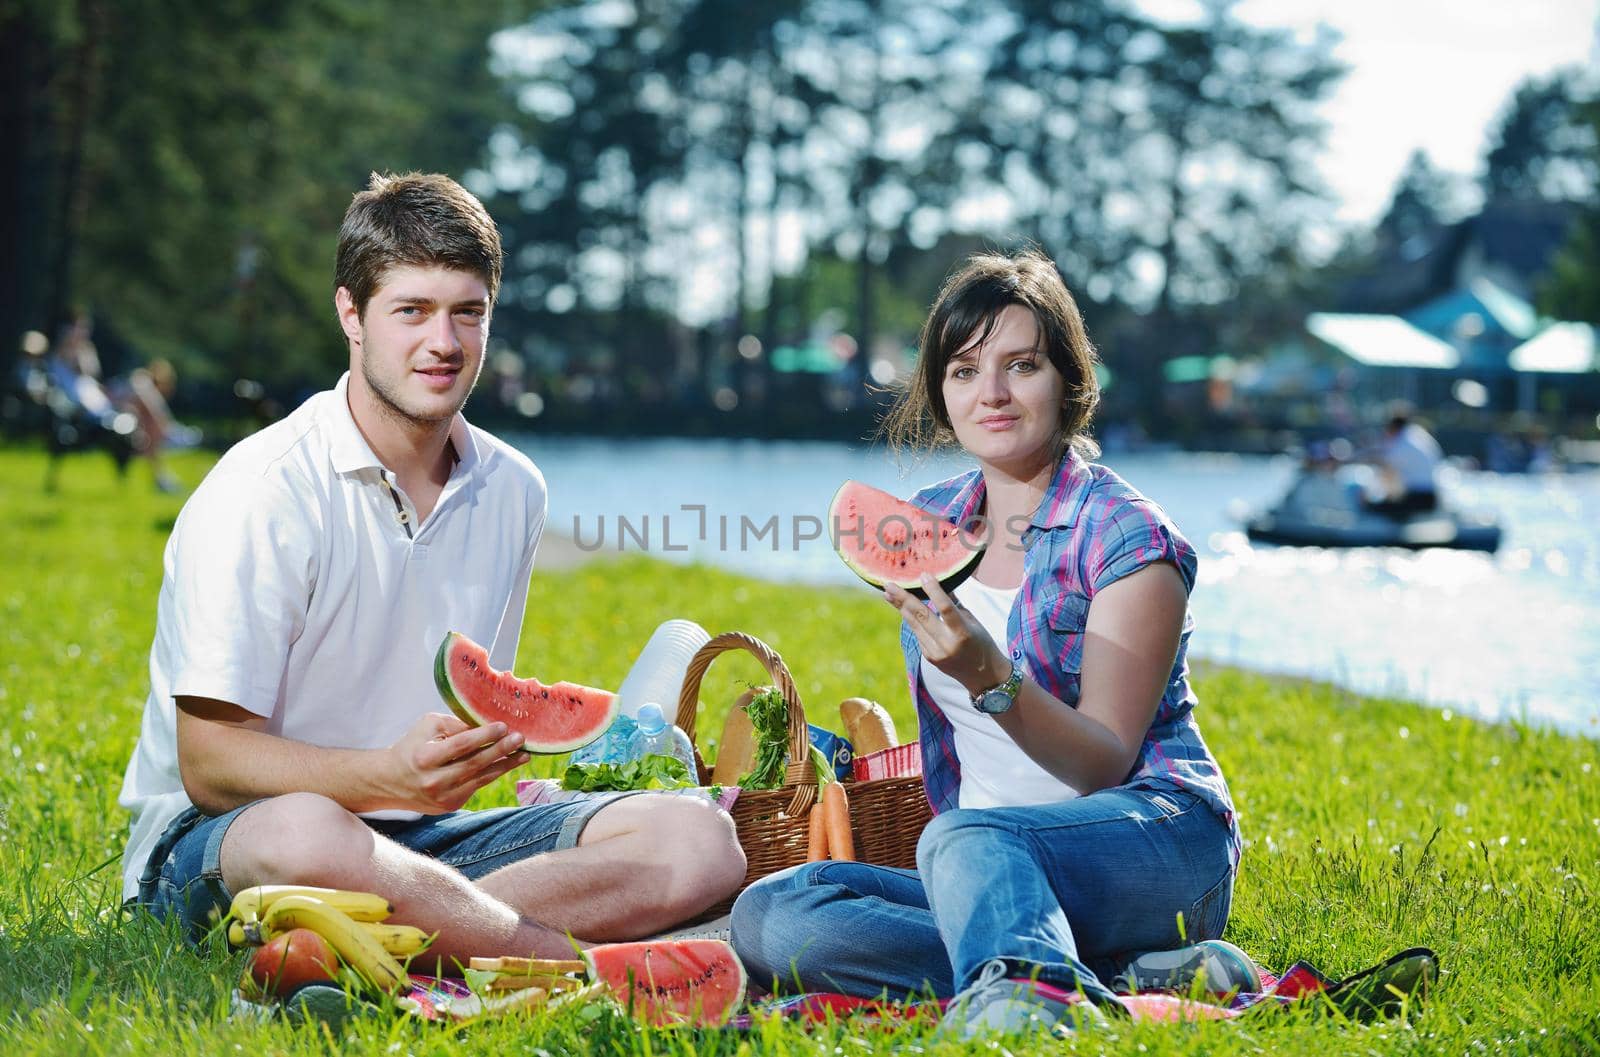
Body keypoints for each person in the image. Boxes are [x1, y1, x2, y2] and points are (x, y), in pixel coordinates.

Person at [118, 172, 745, 968]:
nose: (442, 343)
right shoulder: (262, 488)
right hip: (225, 839)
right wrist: (386, 773)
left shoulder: (512, 488)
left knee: (698, 840)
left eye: (467, 312)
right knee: (306, 830)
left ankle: (350, 940)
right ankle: (578, 966)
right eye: (410, 310)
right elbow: (209, 762)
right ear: (351, 313)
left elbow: (465, 704)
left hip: (411, 839)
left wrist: (477, 752)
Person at [730, 251, 1246, 1038]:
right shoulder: (931, 517)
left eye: (1022, 365)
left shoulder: (1127, 537)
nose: (993, 393)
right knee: (777, 908)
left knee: (965, 837)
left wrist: (989, 676)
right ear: (941, 389)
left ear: (1067, 380)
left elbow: (1103, 758)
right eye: (966, 370)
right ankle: (1103, 972)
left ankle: (1027, 1010)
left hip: (1154, 843)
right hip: (979, 863)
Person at [1366, 410, 1441, 515]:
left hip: (1417, 499)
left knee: (1371, 506)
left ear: (1391, 427)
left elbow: (1387, 472)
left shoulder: (1401, 444)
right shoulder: (1418, 433)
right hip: (1433, 497)